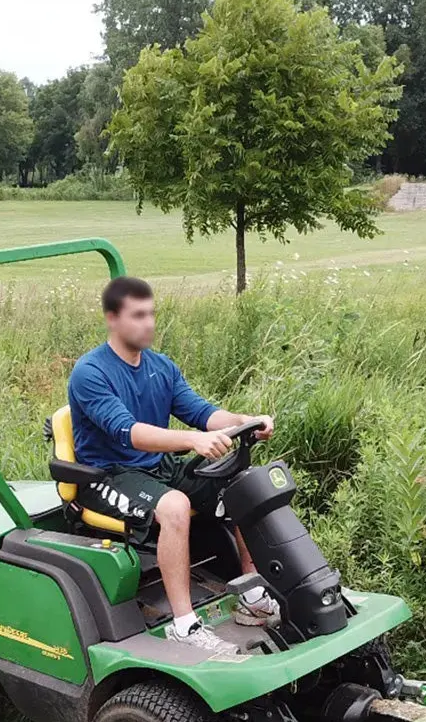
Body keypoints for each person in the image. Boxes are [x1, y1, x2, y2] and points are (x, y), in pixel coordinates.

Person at [67, 276, 277, 656]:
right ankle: (184, 625)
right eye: (138, 315)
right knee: (175, 505)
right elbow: (128, 432)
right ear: (113, 319)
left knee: (243, 483)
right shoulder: (91, 373)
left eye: (151, 314)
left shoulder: (160, 366)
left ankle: (252, 591)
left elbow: (201, 412)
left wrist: (246, 421)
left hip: (157, 467)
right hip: (107, 476)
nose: (148, 323)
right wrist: (191, 439)